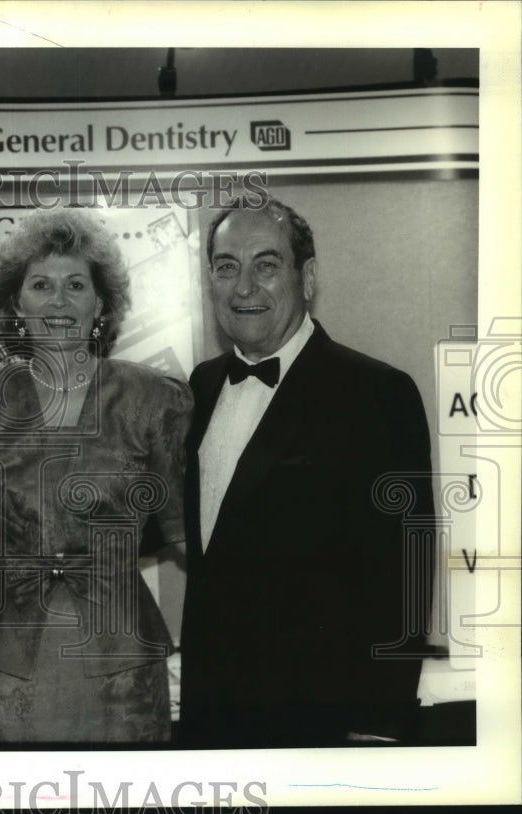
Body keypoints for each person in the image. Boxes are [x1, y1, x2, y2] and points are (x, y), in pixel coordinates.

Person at [179, 197, 434, 748]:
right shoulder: (196, 388)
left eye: (266, 265)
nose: (244, 286)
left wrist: (380, 725)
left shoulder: (376, 393)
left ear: (308, 276)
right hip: (209, 720)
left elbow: (404, 573)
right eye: (227, 267)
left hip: (320, 725)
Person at [0, 209, 192, 743]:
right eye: (41, 285)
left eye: (75, 284)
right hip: (11, 665)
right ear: (15, 303)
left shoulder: (156, 399)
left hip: (124, 661)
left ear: (100, 303)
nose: (59, 301)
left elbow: (186, 535)